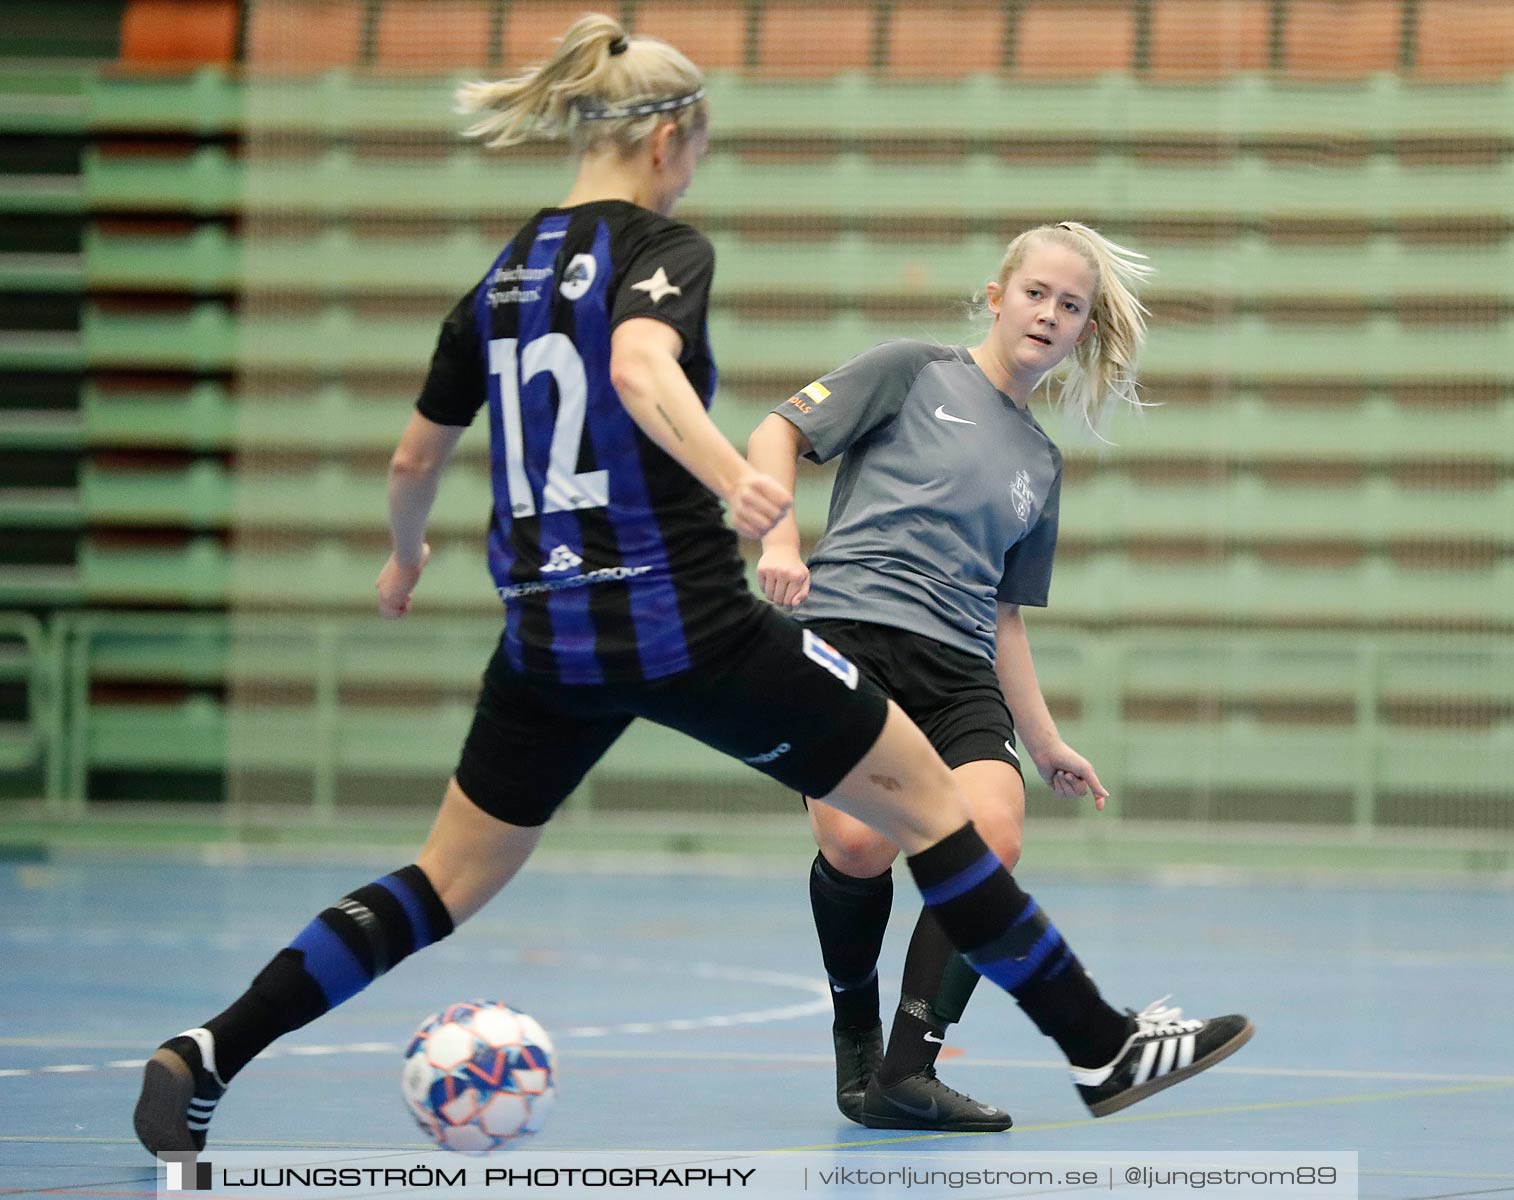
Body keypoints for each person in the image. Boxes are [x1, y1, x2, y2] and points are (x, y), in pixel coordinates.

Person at [133, 19, 1251, 1158]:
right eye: (700, 145)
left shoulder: (500, 278)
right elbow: (635, 365)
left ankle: (209, 1054)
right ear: (668, 137)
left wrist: (404, 555)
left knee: (444, 878)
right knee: (939, 813)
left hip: (545, 637)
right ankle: (1099, 1044)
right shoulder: (661, 252)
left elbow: (412, 460)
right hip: (683, 619)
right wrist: (732, 479)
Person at [749, 221, 1210, 1132]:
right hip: (851, 635)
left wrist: (1044, 742)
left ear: (1082, 331)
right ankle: (855, 1043)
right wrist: (778, 538)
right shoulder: (911, 369)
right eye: (1036, 293)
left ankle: (905, 1072)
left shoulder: (1041, 462)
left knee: (991, 842)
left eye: (1070, 305)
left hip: (959, 670)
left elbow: (1003, 615)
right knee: (859, 845)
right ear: (997, 298)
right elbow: (777, 430)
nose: (1050, 313)